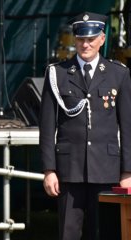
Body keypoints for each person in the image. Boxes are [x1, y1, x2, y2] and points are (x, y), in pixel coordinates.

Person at [39, 12, 131, 240]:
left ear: (102, 39)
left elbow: (128, 127)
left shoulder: (118, 74)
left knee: (105, 232)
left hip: (107, 170)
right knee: (68, 234)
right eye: (80, 39)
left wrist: (128, 171)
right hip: (70, 171)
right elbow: (47, 127)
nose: (85, 44)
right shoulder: (57, 74)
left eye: (91, 39)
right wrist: (49, 170)